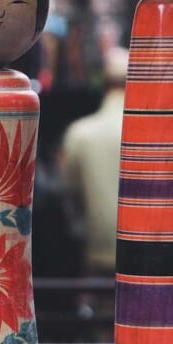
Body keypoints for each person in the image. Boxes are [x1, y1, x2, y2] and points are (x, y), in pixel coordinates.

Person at [59, 47, 128, 276]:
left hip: (96, 253)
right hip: (146, 252)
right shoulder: (158, 133)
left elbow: (67, 193)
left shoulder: (79, 133)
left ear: (104, 84)